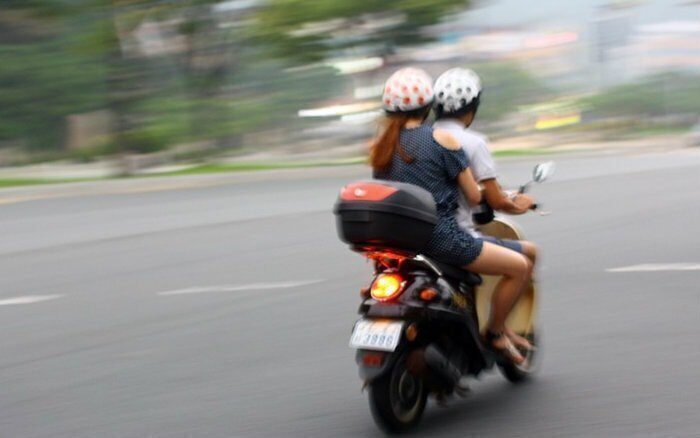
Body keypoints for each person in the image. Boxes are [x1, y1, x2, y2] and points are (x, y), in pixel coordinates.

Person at [371, 67, 532, 364]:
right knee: (520, 266)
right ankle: (496, 333)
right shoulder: (443, 140)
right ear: (428, 105)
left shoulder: (380, 148)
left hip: (398, 246)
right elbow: (473, 197)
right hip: (443, 241)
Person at [432, 68, 538, 265]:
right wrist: (519, 205)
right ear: (473, 106)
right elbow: (496, 201)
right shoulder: (473, 143)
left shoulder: (422, 140)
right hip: (457, 236)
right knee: (527, 256)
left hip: (419, 235)